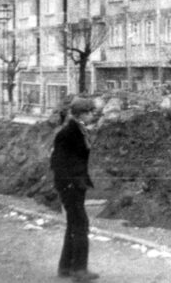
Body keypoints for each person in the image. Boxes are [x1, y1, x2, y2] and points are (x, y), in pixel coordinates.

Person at [51, 98, 99, 281]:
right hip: (70, 184)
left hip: (75, 183)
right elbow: (57, 162)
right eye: (90, 112)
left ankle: (66, 267)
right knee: (80, 225)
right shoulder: (68, 133)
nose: (93, 115)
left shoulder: (78, 130)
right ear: (80, 114)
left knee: (74, 225)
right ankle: (79, 269)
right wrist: (70, 182)